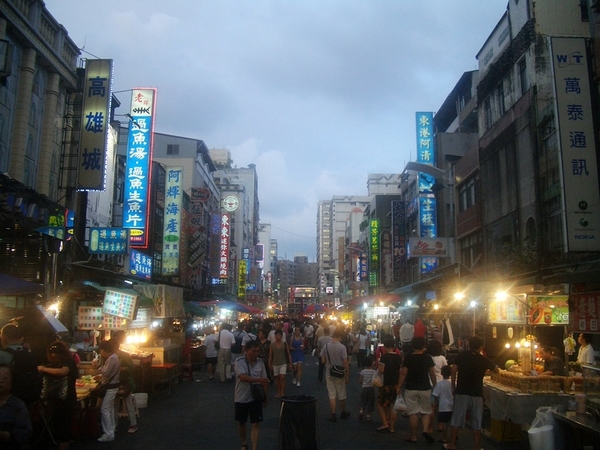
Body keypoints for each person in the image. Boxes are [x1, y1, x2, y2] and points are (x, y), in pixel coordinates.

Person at [443, 335, 499, 450]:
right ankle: (477, 447)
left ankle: (451, 444)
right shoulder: (483, 359)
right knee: (477, 421)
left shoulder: (461, 356)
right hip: (477, 393)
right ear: (481, 347)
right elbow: (496, 370)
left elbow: (453, 370)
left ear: (468, 344)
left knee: (456, 418)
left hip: (462, 391)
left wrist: (453, 386)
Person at [37, 341, 78, 449]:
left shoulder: (69, 362)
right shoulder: (51, 364)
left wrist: (44, 369)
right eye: (53, 357)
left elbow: (63, 372)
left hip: (67, 400)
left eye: (58, 357)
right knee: (57, 425)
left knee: (64, 427)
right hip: (54, 400)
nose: (56, 359)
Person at [398, 336, 436, 444]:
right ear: (424, 345)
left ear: (412, 345)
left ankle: (413, 436)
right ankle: (425, 430)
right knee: (426, 411)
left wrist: (399, 386)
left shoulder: (408, 357)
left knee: (413, 413)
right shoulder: (428, 358)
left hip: (411, 387)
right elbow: (432, 374)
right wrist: (435, 386)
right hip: (425, 387)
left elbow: (403, 373)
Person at [234, 340, 269, 450]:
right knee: (241, 422)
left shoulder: (260, 362)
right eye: (253, 351)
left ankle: (254, 448)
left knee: (255, 424)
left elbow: (264, 380)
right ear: (247, 350)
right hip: (241, 397)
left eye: (257, 351)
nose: (256, 354)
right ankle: (244, 442)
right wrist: (257, 380)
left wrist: (264, 396)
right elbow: (242, 377)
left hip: (256, 397)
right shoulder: (239, 361)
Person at [0, 324, 42, 408]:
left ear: (4, 338)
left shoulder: (3, 356)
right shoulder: (30, 355)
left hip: (7, 401)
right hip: (28, 400)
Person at [93, 340, 120, 442]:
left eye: (101, 350)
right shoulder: (113, 357)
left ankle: (108, 434)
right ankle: (111, 430)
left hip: (111, 387)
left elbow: (107, 373)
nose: (101, 353)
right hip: (113, 386)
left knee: (105, 410)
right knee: (109, 409)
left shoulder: (112, 358)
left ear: (105, 350)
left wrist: (98, 367)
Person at [320, 329, 350, 422]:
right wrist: (347, 375)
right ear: (340, 337)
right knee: (341, 393)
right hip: (340, 373)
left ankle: (333, 414)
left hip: (329, 372)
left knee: (332, 394)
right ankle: (343, 412)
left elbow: (323, 361)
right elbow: (345, 362)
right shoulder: (342, 347)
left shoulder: (326, 346)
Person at [111, 335, 138, 434]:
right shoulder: (111, 356)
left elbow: (132, 368)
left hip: (126, 381)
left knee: (128, 403)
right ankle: (114, 425)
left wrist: (121, 368)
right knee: (115, 404)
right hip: (115, 383)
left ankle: (133, 424)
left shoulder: (125, 356)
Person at [0, 364, 32, 449]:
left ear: (11, 383)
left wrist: (4, 435)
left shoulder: (18, 406)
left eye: (5, 378)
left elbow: (25, 434)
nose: (0, 380)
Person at [375, 335, 402, 433]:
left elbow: (381, 370)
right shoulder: (398, 357)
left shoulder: (384, 357)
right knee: (393, 405)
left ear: (385, 346)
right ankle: (392, 427)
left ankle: (385, 423)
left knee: (380, 403)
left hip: (386, 384)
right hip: (395, 383)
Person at [425, 339, 448, 434]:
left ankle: (430, 427)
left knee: (431, 407)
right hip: (441, 383)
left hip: (429, 383)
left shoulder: (427, 357)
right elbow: (446, 370)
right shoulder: (442, 358)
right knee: (440, 407)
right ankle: (440, 425)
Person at [432, 365, 454, 444]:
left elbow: (435, 395)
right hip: (452, 405)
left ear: (441, 373)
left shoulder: (440, 384)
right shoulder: (453, 383)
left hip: (443, 406)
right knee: (452, 423)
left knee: (444, 423)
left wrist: (436, 404)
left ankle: (444, 437)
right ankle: (453, 437)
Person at [268, 330, 291, 398]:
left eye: (279, 335)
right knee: (277, 378)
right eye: (276, 335)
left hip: (283, 363)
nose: (277, 337)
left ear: (281, 336)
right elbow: (270, 355)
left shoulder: (284, 344)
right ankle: (279, 392)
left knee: (282, 377)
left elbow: (288, 353)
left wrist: (290, 363)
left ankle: (282, 392)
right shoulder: (272, 345)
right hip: (275, 363)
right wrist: (269, 363)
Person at [358, 355, 376, 422]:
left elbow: (359, 380)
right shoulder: (374, 372)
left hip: (364, 388)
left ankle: (361, 411)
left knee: (363, 400)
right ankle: (368, 416)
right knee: (370, 401)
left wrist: (363, 383)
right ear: (372, 364)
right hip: (371, 388)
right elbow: (375, 380)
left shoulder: (363, 371)